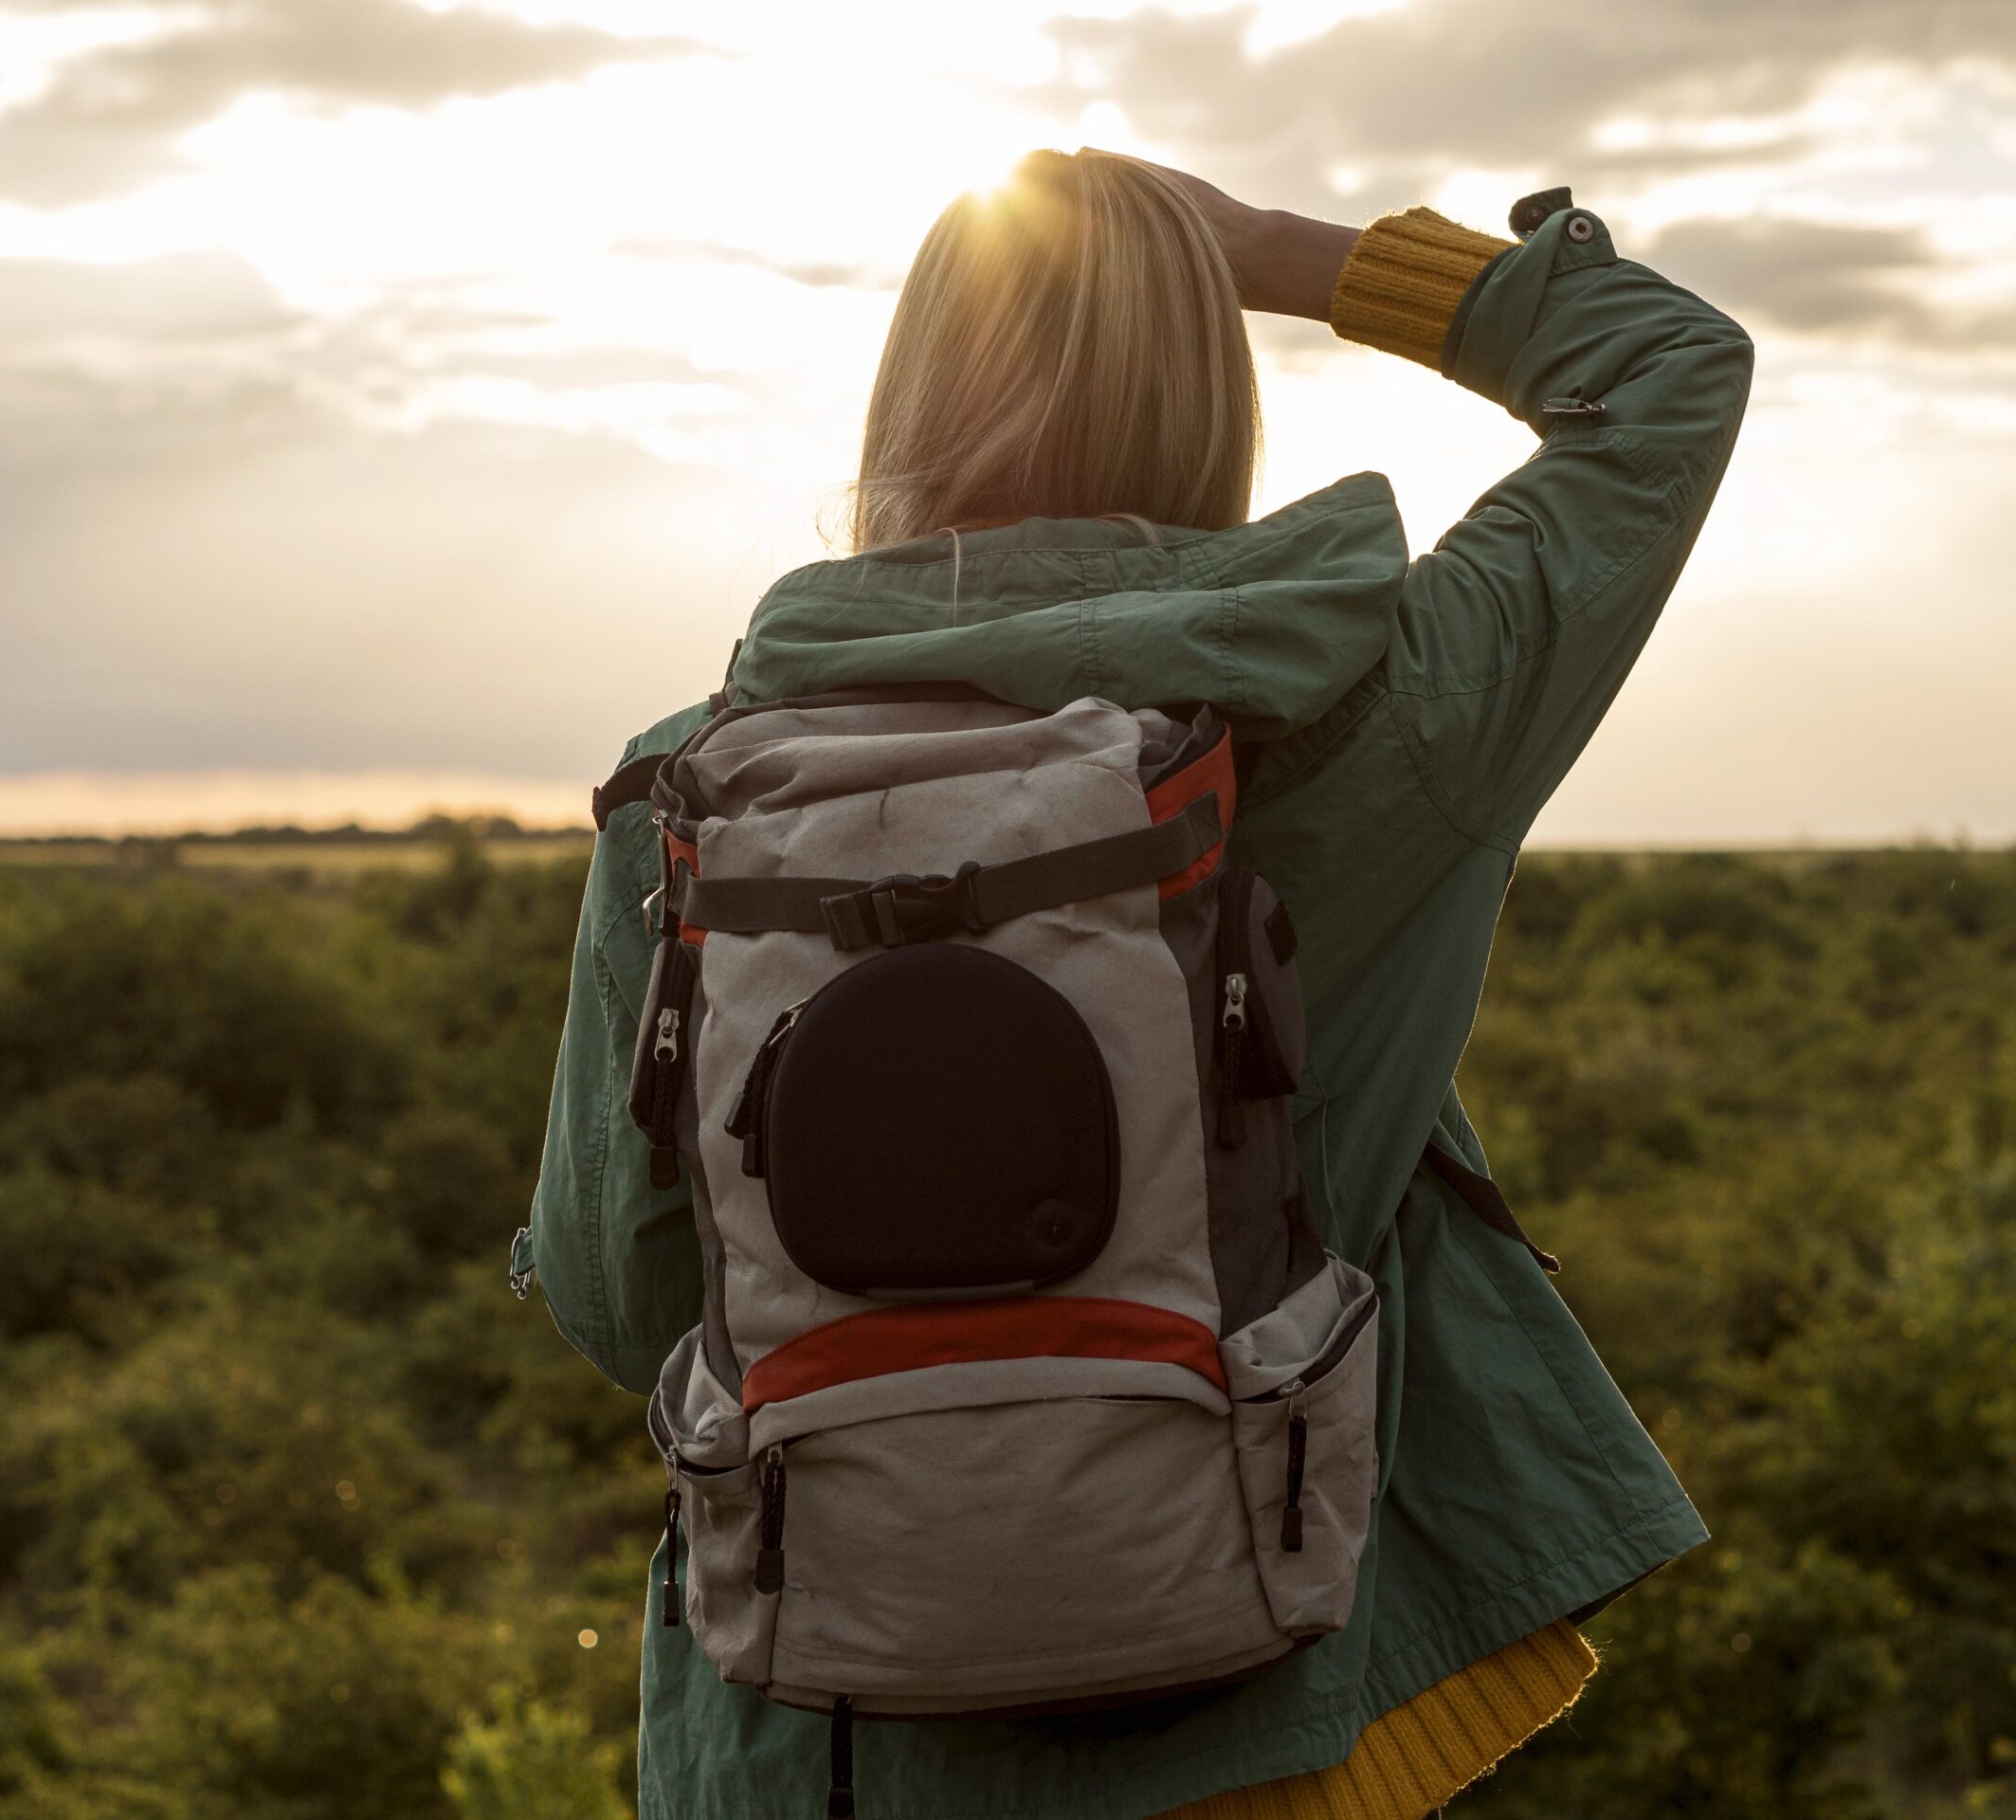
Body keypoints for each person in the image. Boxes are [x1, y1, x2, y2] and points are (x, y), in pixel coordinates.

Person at [524, 146, 1753, 1820]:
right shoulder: (1375, 720)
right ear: (1214, 395)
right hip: (1238, 1703)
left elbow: (623, 1295)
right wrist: (1273, 251)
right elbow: (1665, 374)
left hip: (812, 1745)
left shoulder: (694, 795)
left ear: (905, 397)